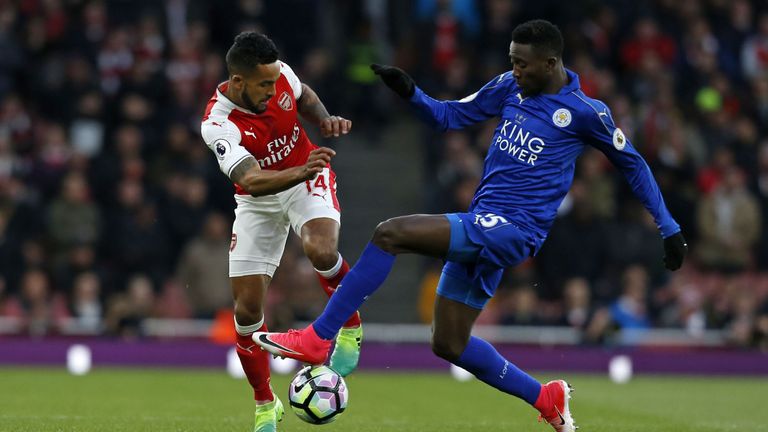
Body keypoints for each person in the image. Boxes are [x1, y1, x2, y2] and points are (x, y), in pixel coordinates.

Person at [254, 20, 688, 432]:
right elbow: (448, 116)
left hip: (513, 230)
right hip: (485, 225)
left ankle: (318, 336)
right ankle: (546, 398)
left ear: (551, 63)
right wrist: (410, 92)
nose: (514, 70)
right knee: (448, 343)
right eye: (512, 60)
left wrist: (667, 227)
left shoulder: (585, 113)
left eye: (523, 63)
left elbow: (634, 165)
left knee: (389, 233)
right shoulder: (508, 87)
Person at [199, 32, 363, 432]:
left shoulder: (278, 76)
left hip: (307, 178)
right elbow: (251, 180)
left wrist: (322, 118)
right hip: (259, 199)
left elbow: (303, 93)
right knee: (246, 312)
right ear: (238, 82)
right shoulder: (217, 123)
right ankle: (264, 404)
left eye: (275, 82)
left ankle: (350, 325)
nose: (274, 91)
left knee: (321, 249)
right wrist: (299, 171)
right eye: (264, 85)